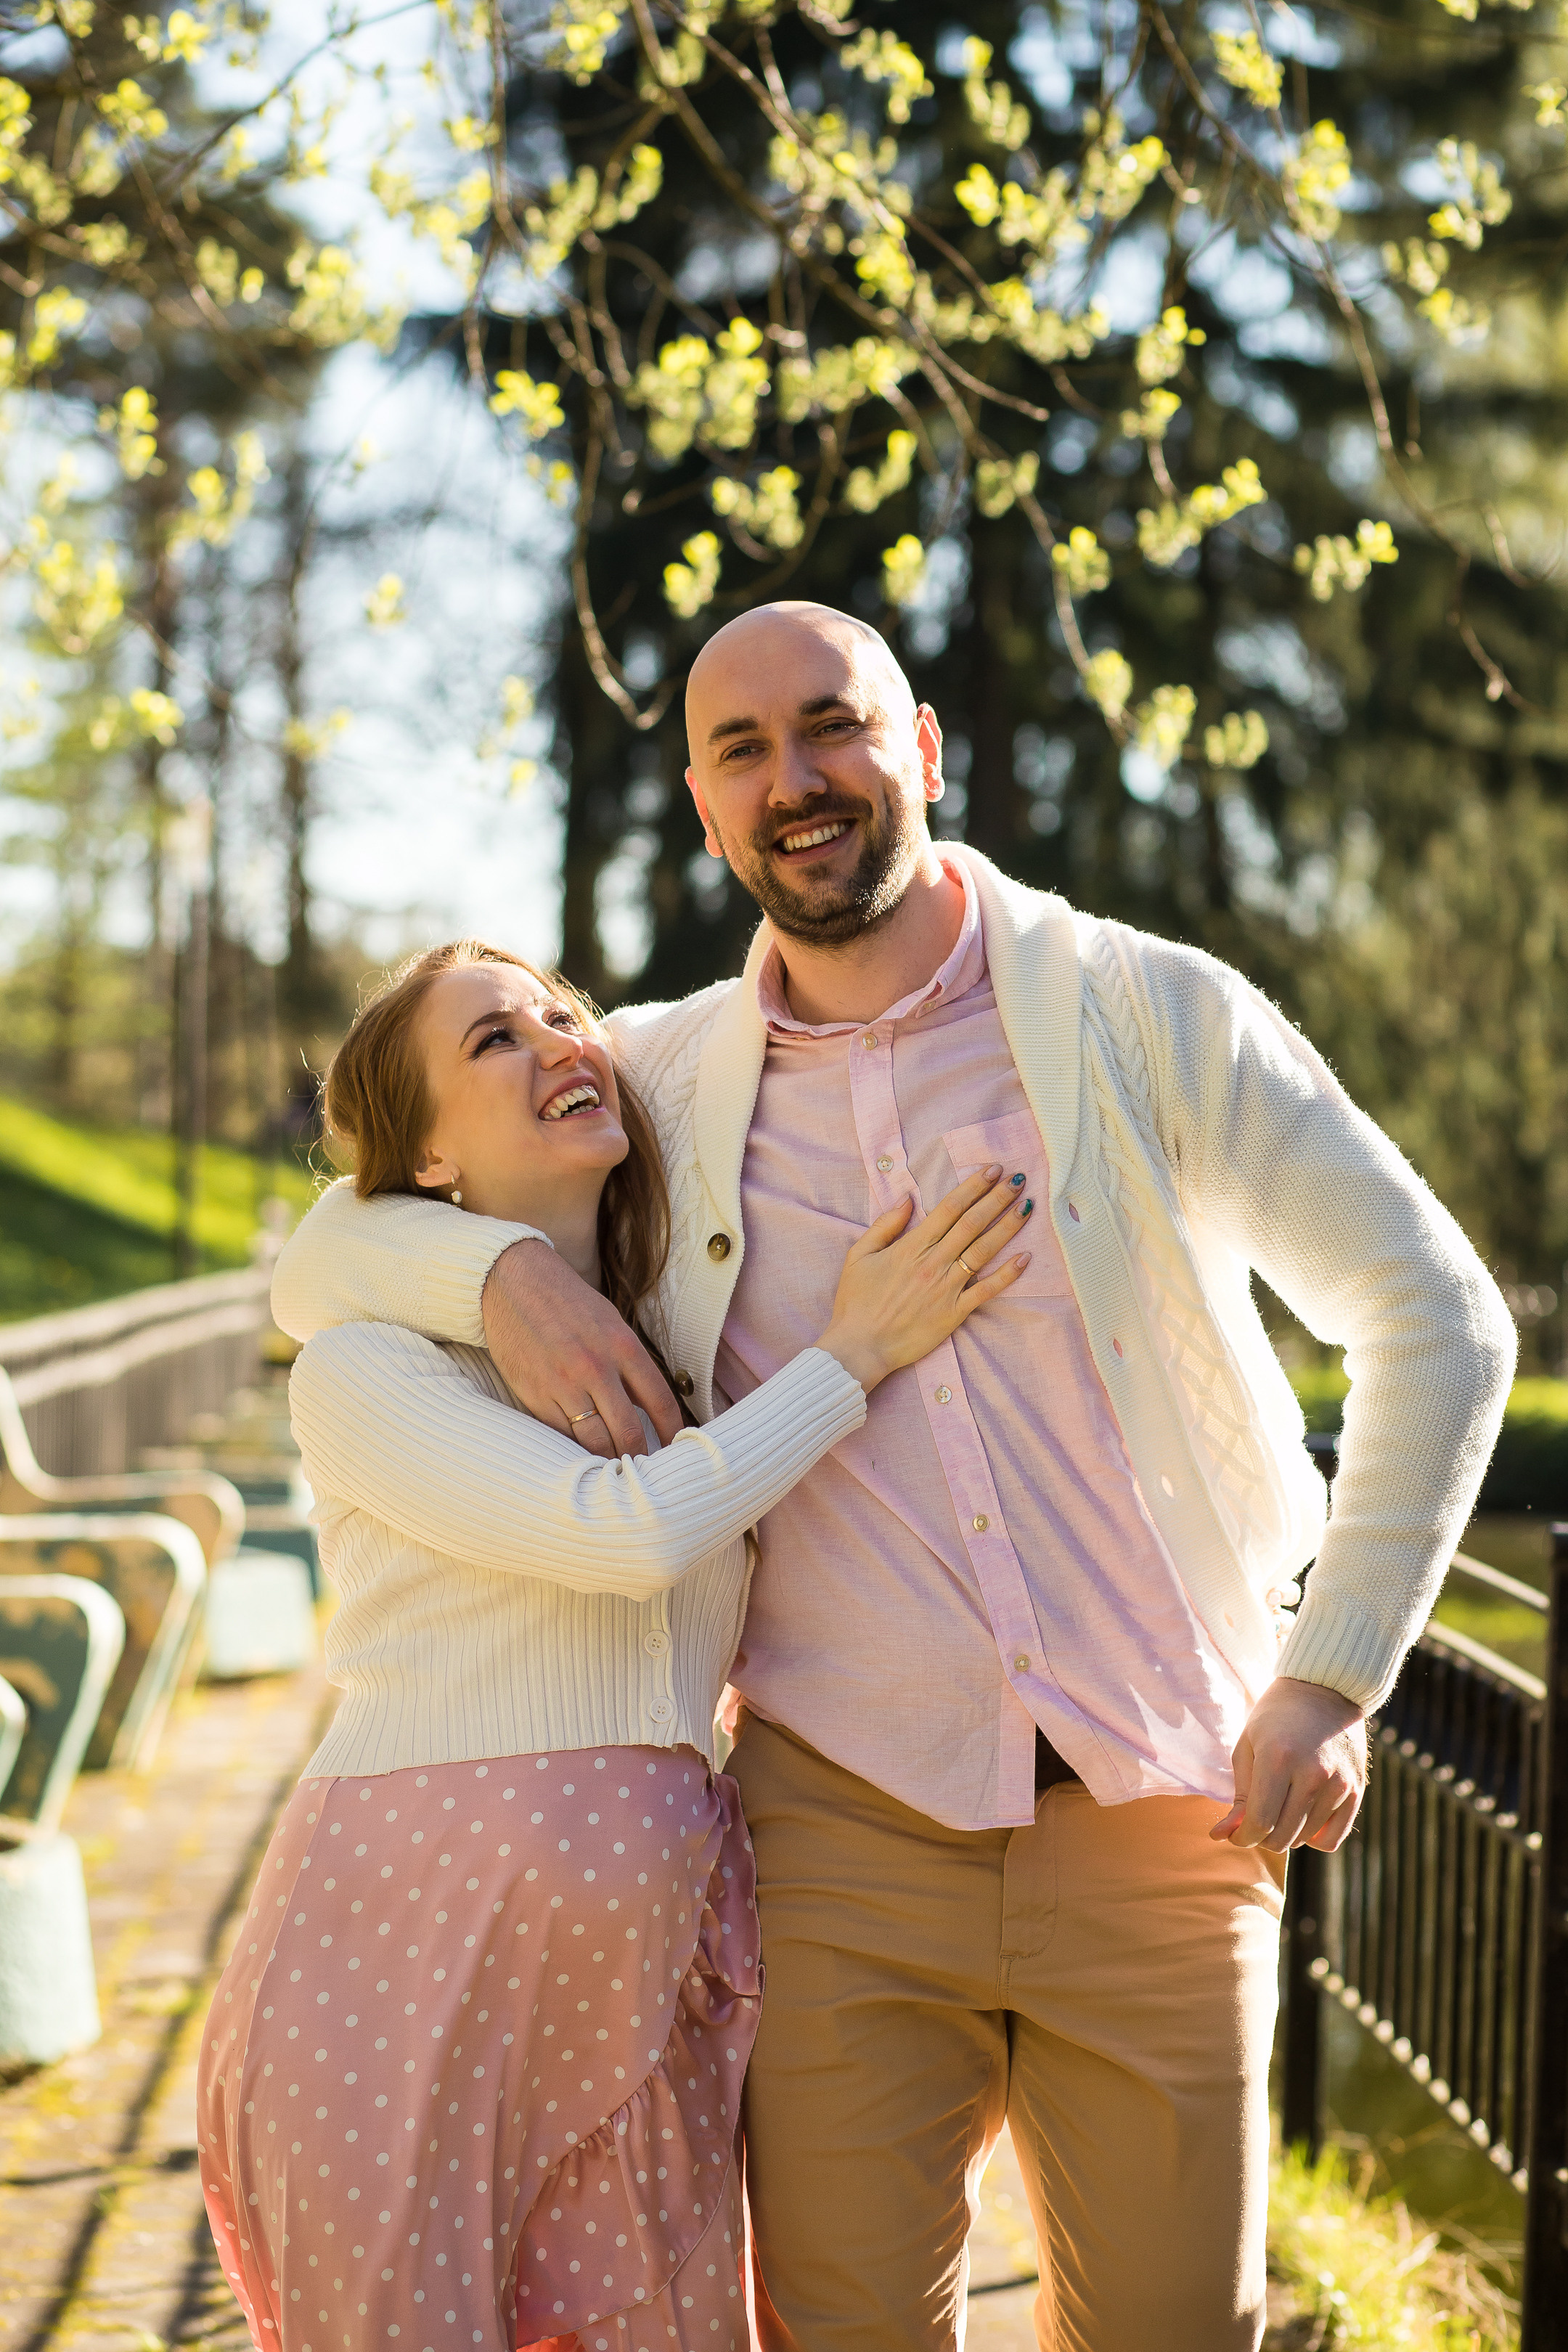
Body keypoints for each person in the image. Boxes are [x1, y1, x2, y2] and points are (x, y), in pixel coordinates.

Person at [271, 605, 1516, 2352]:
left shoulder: (1147, 1015)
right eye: (742, 753)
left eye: (832, 727)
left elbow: (1438, 1317)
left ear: (922, 748)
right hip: (832, 1839)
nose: (797, 781)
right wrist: (498, 1278)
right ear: (709, 810)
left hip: (1160, 1809)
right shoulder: (659, 1076)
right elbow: (330, 1242)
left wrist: (1335, 1668)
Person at [196, 936, 1032, 2352]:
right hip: (407, 1963)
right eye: (491, 1042)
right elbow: (626, 1530)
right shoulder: (365, 1369)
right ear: (426, 1169)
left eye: (559, 1012)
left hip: (643, 1985)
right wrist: (859, 1351)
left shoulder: (679, 1346)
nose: (556, 1042)